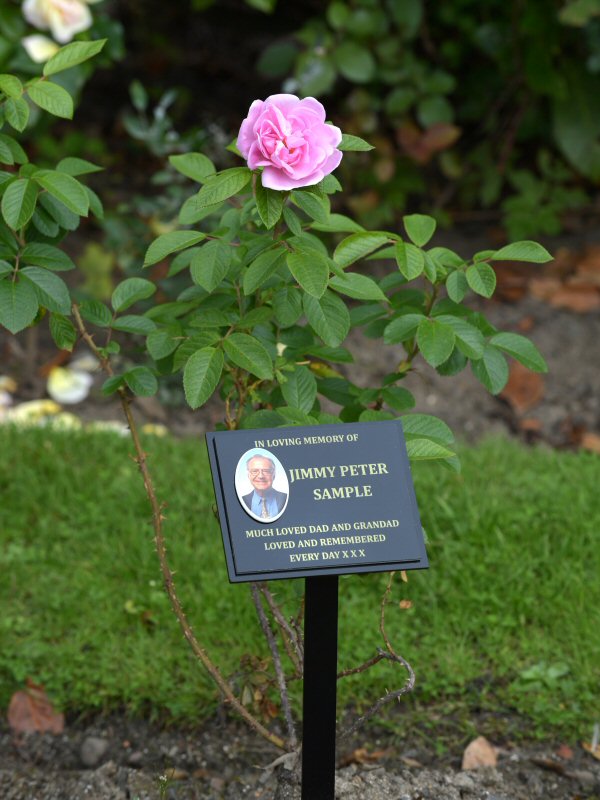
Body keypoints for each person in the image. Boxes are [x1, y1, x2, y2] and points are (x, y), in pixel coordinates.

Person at [242, 454, 287, 520]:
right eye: (254, 471)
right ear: (248, 475)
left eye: (266, 471)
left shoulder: (286, 499)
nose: (261, 476)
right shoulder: (242, 501)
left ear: (274, 475)